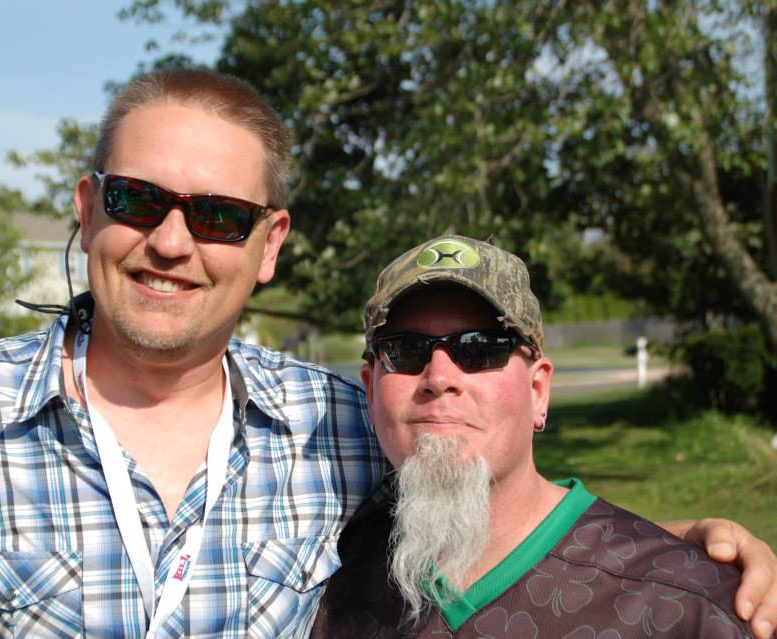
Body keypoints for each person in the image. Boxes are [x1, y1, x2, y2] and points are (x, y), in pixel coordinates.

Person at [0, 69, 774, 638]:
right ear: (86, 205)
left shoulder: (340, 425)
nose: (171, 243)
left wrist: (687, 553)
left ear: (269, 243)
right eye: (137, 200)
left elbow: (501, 504)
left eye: (219, 216)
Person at [311, 234, 773, 638]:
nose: (439, 377)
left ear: (538, 391)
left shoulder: (689, 606)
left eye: (480, 348)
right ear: (371, 390)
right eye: (405, 351)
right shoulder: (318, 582)